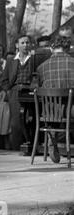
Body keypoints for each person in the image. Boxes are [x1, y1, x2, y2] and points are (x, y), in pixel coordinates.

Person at [37, 35, 74, 163]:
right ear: (68, 48)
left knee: (54, 106)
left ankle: (52, 137)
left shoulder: (41, 67)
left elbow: (36, 88)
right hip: (71, 111)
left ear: (52, 48)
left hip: (50, 112)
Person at [1, 35, 36, 153]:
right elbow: (4, 79)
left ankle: (30, 146)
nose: (25, 45)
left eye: (27, 43)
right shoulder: (11, 60)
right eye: (23, 43)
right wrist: (8, 91)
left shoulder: (34, 59)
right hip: (15, 91)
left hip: (30, 91)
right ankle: (16, 147)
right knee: (16, 121)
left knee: (30, 119)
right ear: (17, 45)